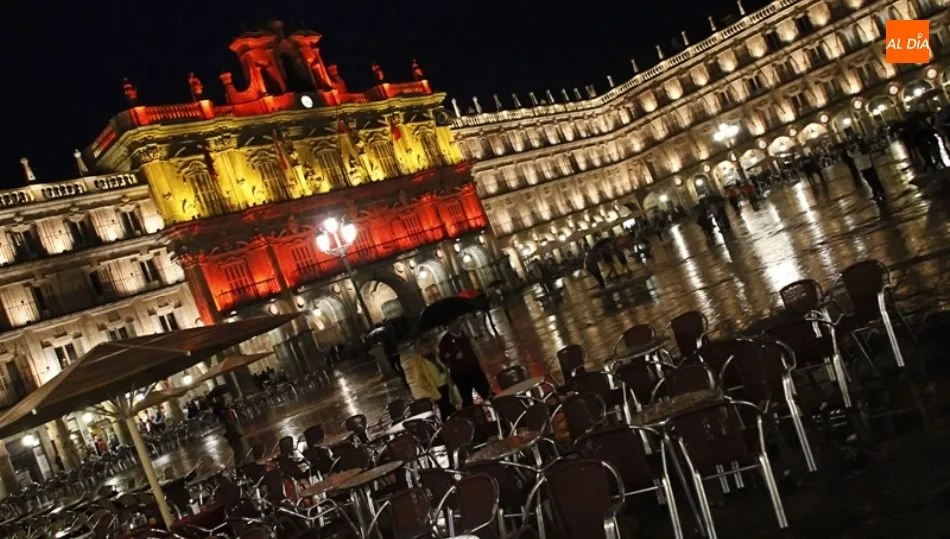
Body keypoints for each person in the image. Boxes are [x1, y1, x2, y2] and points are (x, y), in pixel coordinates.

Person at [438, 322, 491, 407]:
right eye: (455, 323)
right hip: (460, 374)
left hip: (473, 368)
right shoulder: (445, 341)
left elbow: (471, 351)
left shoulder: (463, 334)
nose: (458, 325)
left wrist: (478, 364)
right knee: (467, 398)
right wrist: (454, 356)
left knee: (486, 392)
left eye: (458, 323)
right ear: (449, 327)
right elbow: (443, 359)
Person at [213, 397, 245, 466]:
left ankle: (239, 461)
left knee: (238, 448)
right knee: (238, 448)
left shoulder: (226, 409)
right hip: (229, 425)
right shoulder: (223, 409)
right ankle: (239, 462)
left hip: (230, 425)